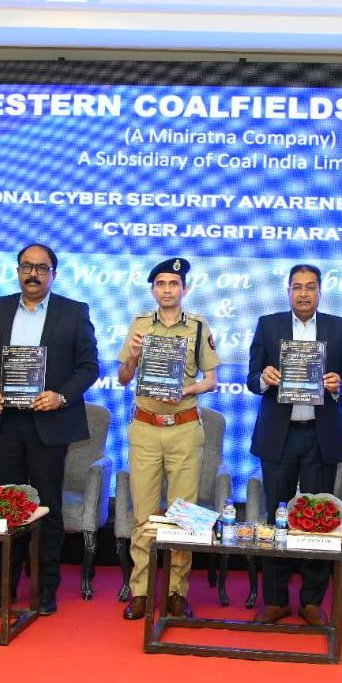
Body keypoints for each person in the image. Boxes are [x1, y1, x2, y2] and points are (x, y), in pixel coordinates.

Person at [0, 243, 99, 615]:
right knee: (5, 506)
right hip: (5, 422)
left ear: (53, 274)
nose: (33, 274)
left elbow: (89, 367)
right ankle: (5, 587)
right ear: (17, 271)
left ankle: (45, 588)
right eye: (27, 266)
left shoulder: (73, 312)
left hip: (49, 423)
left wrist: (61, 396)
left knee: (46, 508)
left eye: (42, 268)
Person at [246, 264, 342, 626]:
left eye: (311, 287)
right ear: (288, 291)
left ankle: (312, 601)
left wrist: (339, 384)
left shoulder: (338, 328)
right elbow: (251, 378)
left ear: (320, 292)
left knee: (318, 518)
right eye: (297, 287)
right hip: (279, 435)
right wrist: (264, 378)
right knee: (276, 517)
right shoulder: (269, 325)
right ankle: (276, 600)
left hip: (320, 434)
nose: (304, 293)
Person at [117, 258, 219, 620]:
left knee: (183, 514)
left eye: (173, 284)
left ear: (184, 290)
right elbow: (123, 378)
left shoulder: (198, 326)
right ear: (153, 290)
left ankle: (177, 591)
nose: (167, 290)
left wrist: (185, 390)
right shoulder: (140, 324)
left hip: (184, 428)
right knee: (143, 514)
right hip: (145, 428)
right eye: (160, 284)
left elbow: (211, 381)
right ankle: (141, 592)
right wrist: (132, 356)